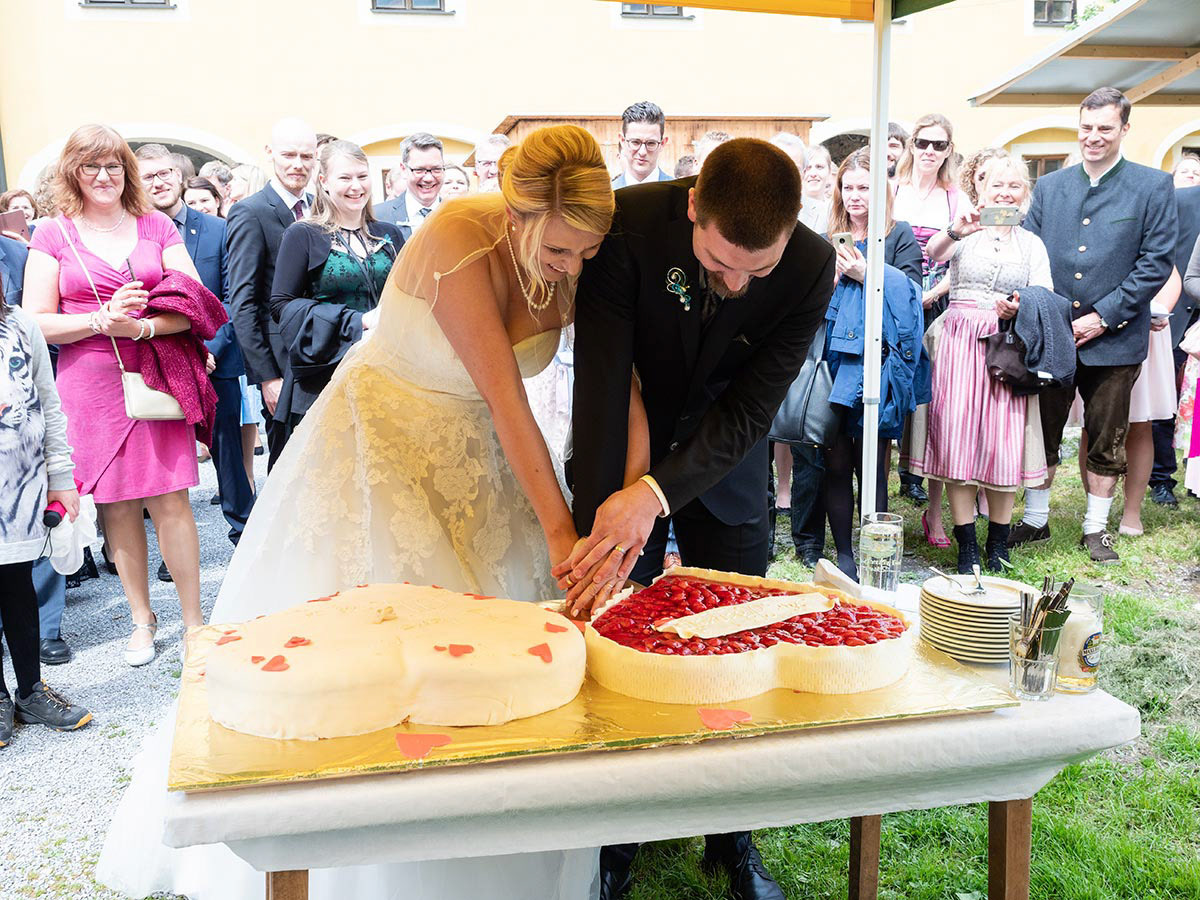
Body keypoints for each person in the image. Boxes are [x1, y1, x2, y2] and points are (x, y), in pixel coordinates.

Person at [98, 123, 622, 900]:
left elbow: (614, 374)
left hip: (478, 449)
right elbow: (509, 402)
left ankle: (509, 839)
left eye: (588, 253)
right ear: (516, 217)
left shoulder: (573, 244)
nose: (574, 268)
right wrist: (561, 532)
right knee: (388, 654)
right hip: (382, 444)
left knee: (508, 660)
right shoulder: (459, 241)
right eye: (559, 252)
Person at [566, 138, 835, 900]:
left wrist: (659, 493)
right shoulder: (629, 223)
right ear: (692, 207)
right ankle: (615, 836)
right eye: (719, 263)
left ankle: (732, 836)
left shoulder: (812, 264)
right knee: (615, 651)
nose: (737, 284)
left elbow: (751, 409)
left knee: (737, 652)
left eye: (758, 271)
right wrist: (606, 517)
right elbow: (602, 379)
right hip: (625, 450)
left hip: (727, 467)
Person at [23, 124, 209, 666]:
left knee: (172, 499)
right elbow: (35, 322)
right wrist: (99, 320)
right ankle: (141, 620)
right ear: (72, 172)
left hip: (154, 372)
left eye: (112, 166)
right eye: (91, 166)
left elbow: (194, 304)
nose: (103, 176)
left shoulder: (156, 225)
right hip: (89, 382)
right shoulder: (52, 233)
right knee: (117, 505)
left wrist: (142, 327)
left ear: (126, 170)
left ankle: (195, 623)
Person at [1012, 87, 1176, 563]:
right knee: (1043, 429)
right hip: (1053, 333)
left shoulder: (1152, 185)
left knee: (1107, 435)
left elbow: (1155, 262)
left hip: (1117, 336)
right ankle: (1036, 519)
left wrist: (1104, 315)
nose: (1094, 136)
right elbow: (1029, 253)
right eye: (1086, 127)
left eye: (1105, 128)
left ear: (1125, 129)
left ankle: (1096, 528)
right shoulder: (1051, 186)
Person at [914, 156, 1055, 572]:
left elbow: (1044, 293)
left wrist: (1018, 306)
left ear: (1024, 193)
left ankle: (997, 543)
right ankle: (967, 545)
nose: (1005, 193)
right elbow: (933, 253)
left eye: (1014, 186)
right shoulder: (965, 230)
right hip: (958, 341)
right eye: (997, 185)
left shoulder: (1030, 243)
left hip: (1006, 347)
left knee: (1003, 441)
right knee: (955, 438)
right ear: (982, 189)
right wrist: (957, 228)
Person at [793, 147, 923, 567]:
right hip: (834, 360)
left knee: (872, 466)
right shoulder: (826, 236)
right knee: (835, 462)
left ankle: (874, 553)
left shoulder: (898, 235)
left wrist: (868, 274)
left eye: (864, 188)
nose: (854, 196)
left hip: (879, 364)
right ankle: (846, 554)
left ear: (881, 190)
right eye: (847, 188)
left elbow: (914, 299)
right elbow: (804, 303)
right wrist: (828, 280)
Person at [136, 144, 254, 550]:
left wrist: (209, 350)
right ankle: (175, 552)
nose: (159, 182)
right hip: (159, 361)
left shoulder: (219, 230)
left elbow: (232, 298)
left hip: (216, 358)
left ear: (179, 175)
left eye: (165, 173)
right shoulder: (133, 235)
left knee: (229, 455)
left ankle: (245, 536)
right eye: (149, 176)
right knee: (168, 463)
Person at [0, 290, 91, 748]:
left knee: (17, 579)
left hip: (18, 482)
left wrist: (62, 476)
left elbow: (49, 405)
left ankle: (30, 691)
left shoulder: (20, 323)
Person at [269, 140, 403, 435]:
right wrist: (356, 321)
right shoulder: (303, 234)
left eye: (362, 176)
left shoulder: (389, 234)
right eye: (345, 178)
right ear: (324, 181)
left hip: (387, 369)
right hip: (327, 371)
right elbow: (281, 305)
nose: (356, 186)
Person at [227, 118, 317, 469]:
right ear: (270, 154)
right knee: (289, 467)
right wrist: (267, 377)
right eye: (289, 155)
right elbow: (243, 302)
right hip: (282, 364)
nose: (298, 165)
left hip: (324, 353)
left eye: (306, 156)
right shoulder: (250, 212)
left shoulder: (320, 207)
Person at [892, 113, 967, 534]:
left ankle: (921, 480)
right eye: (923, 143)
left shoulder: (956, 198)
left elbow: (964, 260)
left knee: (931, 395)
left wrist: (932, 294)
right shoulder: (892, 189)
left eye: (939, 145)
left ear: (949, 150)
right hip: (893, 299)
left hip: (936, 301)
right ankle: (890, 480)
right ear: (911, 145)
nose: (930, 152)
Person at [374, 132, 445, 239]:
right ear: (403, 170)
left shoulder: (459, 216)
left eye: (436, 169)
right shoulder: (377, 217)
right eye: (419, 170)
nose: (428, 178)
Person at [612, 101, 671, 188]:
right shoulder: (605, 194)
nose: (642, 152)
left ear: (662, 144)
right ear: (622, 141)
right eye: (635, 142)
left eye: (651, 143)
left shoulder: (679, 192)